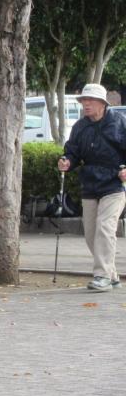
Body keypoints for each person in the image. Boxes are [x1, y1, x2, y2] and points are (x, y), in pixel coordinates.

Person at [58, 83, 126, 292]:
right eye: (83, 100)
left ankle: (102, 276)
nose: (86, 104)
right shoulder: (80, 126)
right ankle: (112, 275)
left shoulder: (119, 123)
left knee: (105, 228)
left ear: (102, 103)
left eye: (90, 100)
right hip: (90, 184)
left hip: (114, 184)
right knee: (91, 235)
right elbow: (72, 152)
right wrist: (66, 161)